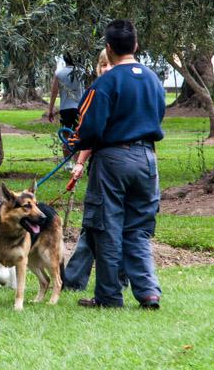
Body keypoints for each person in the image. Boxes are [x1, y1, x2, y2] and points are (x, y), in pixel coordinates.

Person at [70, 19, 165, 310]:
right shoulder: (152, 79)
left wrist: (76, 145)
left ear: (108, 48)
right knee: (138, 229)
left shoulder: (105, 82)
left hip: (113, 160)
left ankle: (109, 296)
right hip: (147, 159)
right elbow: (158, 113)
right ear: (135, 45)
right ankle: (148, 292)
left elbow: (88, 126)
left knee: (106, 227)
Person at [61, 50, 112, 291]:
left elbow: (88, 133)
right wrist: (80, 163)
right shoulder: (99, 91)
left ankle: (75, 280)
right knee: (93, 225)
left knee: (94, 224)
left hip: (111, 166)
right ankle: (72, 280)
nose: (105, 69)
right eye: (102, 65)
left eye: (109, 64)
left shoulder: (101, 93)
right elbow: (90, 134)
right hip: (106, 163)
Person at [47, 54, 85, 168]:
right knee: (78, 136)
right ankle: (78, 162)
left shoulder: (59, 73)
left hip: (65, 109)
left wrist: (51, 109)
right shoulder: (82, 72)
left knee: (66, 136)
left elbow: (54, 93)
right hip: (80, 109)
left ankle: (67, 163)